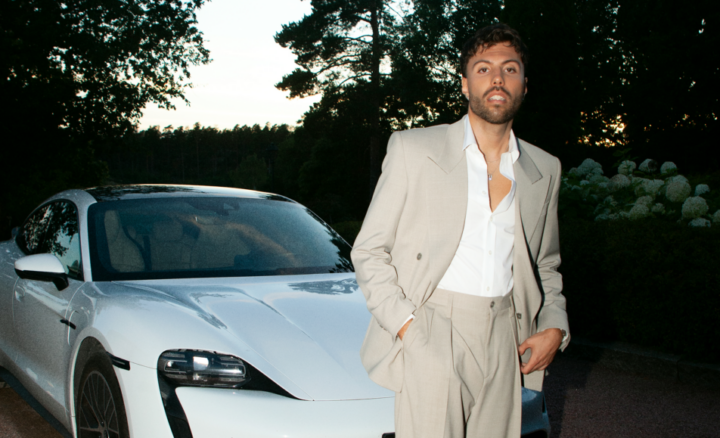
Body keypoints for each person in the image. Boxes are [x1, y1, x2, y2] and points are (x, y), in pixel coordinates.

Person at [351, 23, 570, 438]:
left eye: (510, 69)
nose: (497, 78)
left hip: (506, 335)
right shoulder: (414, 150)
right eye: (484, 68)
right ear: (466, 84)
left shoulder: (544, 169)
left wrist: (555, 326)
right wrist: (408, 327)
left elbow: (545, 264)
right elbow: (369, 251)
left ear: (524, 84)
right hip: (433, 327)